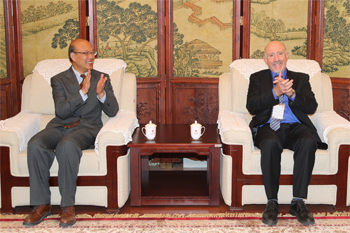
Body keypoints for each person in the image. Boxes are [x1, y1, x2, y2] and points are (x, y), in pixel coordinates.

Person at [23, 38, 119, 227]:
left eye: (93, 52)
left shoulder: (102, 77)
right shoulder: (58, 80)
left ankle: (67, 206)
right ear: (73, 56)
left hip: (86, 129)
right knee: (35, 144)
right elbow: (61, 111)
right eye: (86, 53)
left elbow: (113, 111)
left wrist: (101, 94)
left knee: (67, 145)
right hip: (60, 126)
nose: (91, 56)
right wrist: (82, 93)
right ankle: (42, 204)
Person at [246, 41, 328, 226]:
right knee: (269, 143)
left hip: (294, 126)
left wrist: (292, 94)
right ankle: (272, 203)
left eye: (280, 54)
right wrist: (275, 93)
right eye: (272, 55)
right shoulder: (257, 78)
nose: (276, 59)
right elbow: (252, 106)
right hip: (268, 126)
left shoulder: (301, 78)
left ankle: (298, 202)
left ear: (287, 55)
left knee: (308, 141)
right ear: (265, 59)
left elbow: (311, 106)